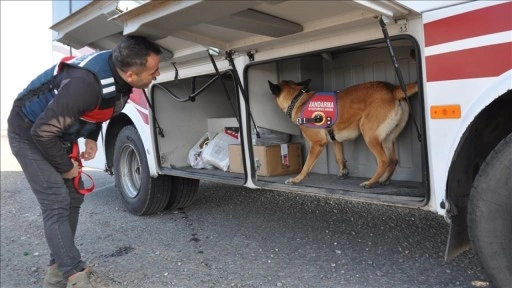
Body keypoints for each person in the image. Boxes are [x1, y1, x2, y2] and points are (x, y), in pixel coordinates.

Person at [7, 36, 162, 288]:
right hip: (28, 131)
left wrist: (91, 136)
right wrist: (67, 168)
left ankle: (56, 273)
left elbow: (98, 108)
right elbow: (42, 132)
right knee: (56, 200)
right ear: (132, 75)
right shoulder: (85, 85)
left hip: (53, 131)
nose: (157, 73)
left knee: (74, 197)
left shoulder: (118, 73)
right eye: (154, 70)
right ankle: (75, 275)